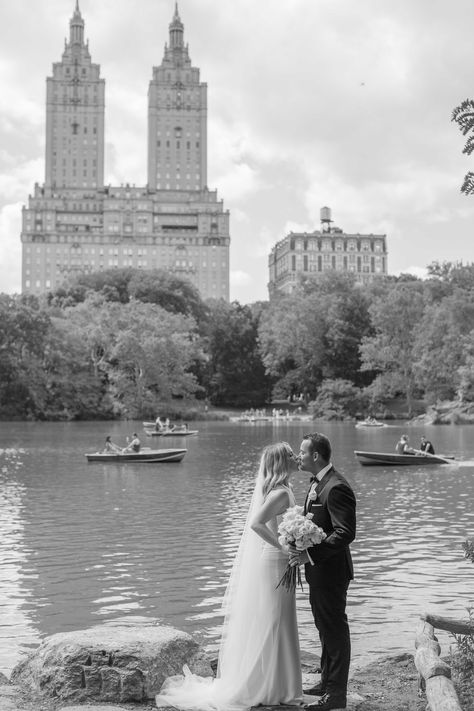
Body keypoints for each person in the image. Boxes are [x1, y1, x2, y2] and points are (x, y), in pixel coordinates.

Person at [155, 442, 303, 710]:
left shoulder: (286, 489)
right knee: (272, 624)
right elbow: (256, 523)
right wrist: (282, 546)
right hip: (275, 563)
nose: (297, 457)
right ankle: (263, 686)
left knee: (281, 623)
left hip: (283, 563)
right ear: (282, 462)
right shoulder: (280, 493)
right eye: (292, 454)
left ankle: (279, 686)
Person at [290, 432, 356, 711]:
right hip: (319, 571)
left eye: (302, 452)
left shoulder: (337, 486)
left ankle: (336, 696)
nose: (299, 456)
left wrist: (309, 554)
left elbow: (345, 533)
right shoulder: (320, 483)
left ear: (315, 455)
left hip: (331, 572)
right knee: (324, 628)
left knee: (334, 630)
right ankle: (327, 682)